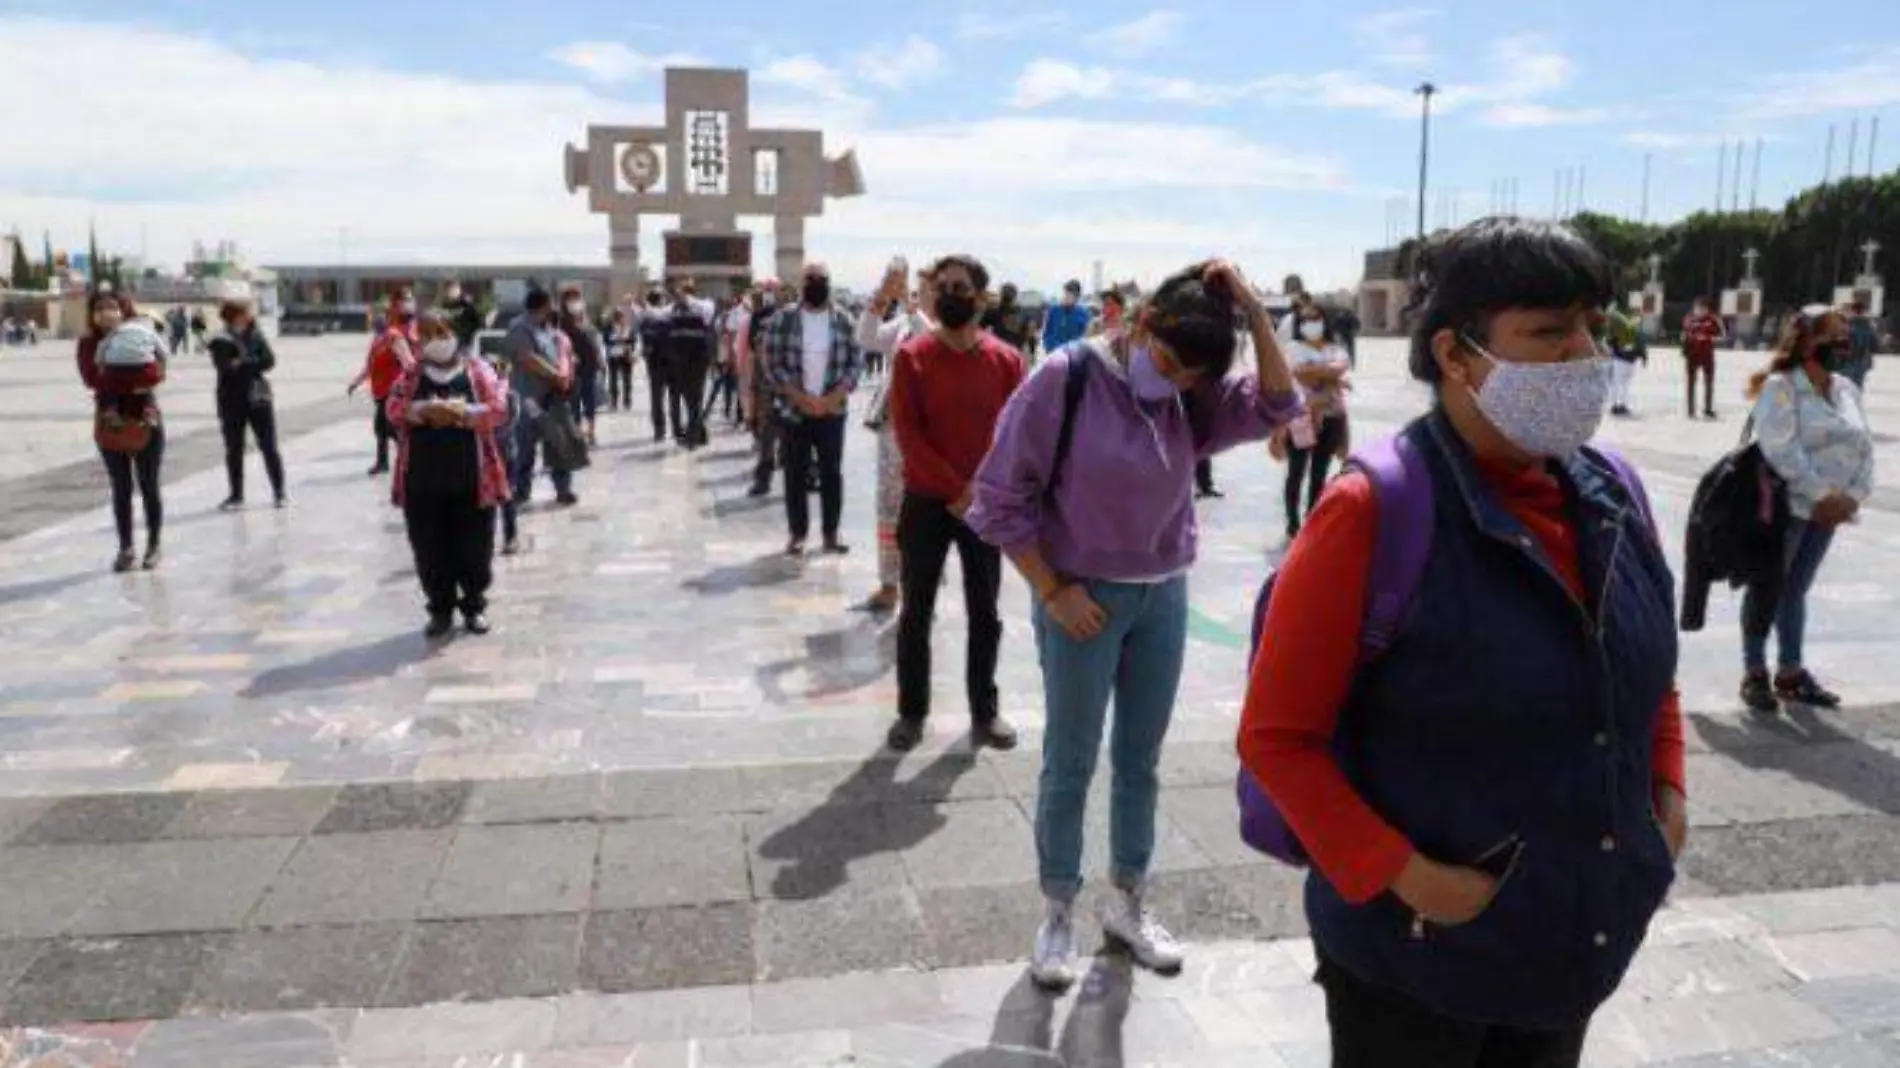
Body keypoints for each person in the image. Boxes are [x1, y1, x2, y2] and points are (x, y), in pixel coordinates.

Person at [1241, 218, 1686, 1068]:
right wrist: (1413, 878)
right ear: (1456, 354)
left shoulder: (1616, 491)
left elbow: (1643, 670)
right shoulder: (1373, 511)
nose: (1585, 353)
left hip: (1575, 937)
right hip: (1417, 959)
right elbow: (1276, 738)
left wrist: (1667, 795)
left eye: (1591, 324)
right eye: (1549, 332)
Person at [965, 260, 1299, 989]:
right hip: (1081, 597)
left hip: (1162, 595)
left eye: (1191, 378)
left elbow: (1277, 404)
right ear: (1140, 324)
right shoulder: (1067, 377)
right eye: (1171, 364)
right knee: (1071, 759)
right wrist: (1053, 592)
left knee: (1140, 759)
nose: (1177, 384)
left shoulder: (1191, 396)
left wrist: (1253, 309)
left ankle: (1130, 900)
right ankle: (1058, 908)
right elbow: (998, 496)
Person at [886, 255, 1025, 753]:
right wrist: (957, 490)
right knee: (916, 610)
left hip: (984, 506)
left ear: (981, 297)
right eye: (942, 285)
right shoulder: (911, 357)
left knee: (985, 610)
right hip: (927, 502)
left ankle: (985, 713)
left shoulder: (1008, 361)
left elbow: (1016, 436)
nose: (949, 293)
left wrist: (981, 492)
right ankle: (911, 711)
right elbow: (909, 434)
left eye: (960, 286)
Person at [1738, 305, 1876, 713]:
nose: (1844, 342)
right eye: (1834, 334)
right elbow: (1781, 448)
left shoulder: (1847, 389)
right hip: (1790, 509)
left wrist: (1853, 496)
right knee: (1767, 586)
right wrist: (1821, 495)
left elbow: (1863, 445)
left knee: (1796, 589)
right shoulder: (1781, 386)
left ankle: (1791, 672)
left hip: (1831, 512)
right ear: (1808, 341)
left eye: (1845, 333)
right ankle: (1755, 670)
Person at [387, 312, 513, 639]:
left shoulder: (478, 370)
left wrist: (461, 412)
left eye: (440, 333)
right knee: (429, 549)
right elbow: (393, 409)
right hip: (423, 482)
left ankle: (474, 606)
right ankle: (440, 609)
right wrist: (424, 411)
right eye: (426, 336)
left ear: (453, 334)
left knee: (475, 547)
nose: (435, 341)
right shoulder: (411, 376)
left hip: (472, 479)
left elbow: (499, 408)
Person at [761, 262, 862, 554]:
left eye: (821, 280)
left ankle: (831, 532)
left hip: (832, 410)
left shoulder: (844, 319)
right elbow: (771, 362)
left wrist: (834, 397)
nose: (816, 284)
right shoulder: (783, 319)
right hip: (794, 410)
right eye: (810, 279)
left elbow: (856, 362)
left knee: (832, 473)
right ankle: (798, 533)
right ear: (802, 283)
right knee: (794, 472)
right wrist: (798, 396)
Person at [856, 262, 936, 615]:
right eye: (915, 288)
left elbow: (931, 343)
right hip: (893, 429)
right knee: (889, 509)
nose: (918, 295)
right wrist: (880, 299)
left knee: (925, 512)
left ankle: (921, 587)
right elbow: (866, 337)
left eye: (924, 289)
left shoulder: (944, 326)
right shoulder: (904, 323)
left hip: (929, 433)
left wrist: (911, 306)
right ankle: (889, 584)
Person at [78, 292, 167, 572]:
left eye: (112, 307)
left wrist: (114, 380)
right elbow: (92, 379)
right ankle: (126, 547)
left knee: (149, 483)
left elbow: (155, 373)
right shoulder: (88, 343)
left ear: (123, 310)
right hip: (110, 423)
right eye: (100, 308)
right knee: (121, 487)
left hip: (146, 418)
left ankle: (153, 545)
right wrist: (131, 383)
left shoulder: (141, 334)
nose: (106, 312)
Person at [1280, 300, 1352, 539]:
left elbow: (1336, 369)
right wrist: (1330, 378)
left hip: (1331, 418)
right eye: (1305, 320)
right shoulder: (1293, 347)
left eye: (1315, 318)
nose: (1311, 324)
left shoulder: (1336, 348)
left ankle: (1312, 520)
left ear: (1324, 320)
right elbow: (1301, 374)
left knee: (1320, 472)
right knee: (1296, 470)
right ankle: (1292, 522)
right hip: (1301, 417)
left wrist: (1317, 372)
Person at [209, 299, 287, 510]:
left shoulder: (256, 334)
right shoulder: (220, 339)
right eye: (245, 312)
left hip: (258, 398)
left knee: (269, 446)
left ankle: (279, 492)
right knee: (234, 449)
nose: (249, 315)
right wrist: (252, 362)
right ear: (233, 316)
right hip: (231, 400)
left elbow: (269, 361)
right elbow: (224, 366)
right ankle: (236, 495)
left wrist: (242, 362)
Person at [505, 288, 578, 507]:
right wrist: (555, 375)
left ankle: (563, 489)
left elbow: (562, 352)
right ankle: (522, 489)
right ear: (544, 305)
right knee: (525, 446)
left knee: (559, 444)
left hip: (553, 397)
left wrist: (564, 374)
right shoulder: (520, 327)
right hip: (529, 398)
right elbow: (527, 358)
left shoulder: (548, 328)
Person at [349, 286, 418, 476]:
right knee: (382, 429)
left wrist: (408, 385)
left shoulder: (394, 337)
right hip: (380, 392)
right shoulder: (378, 340)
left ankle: (407, 459)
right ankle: (385, 462)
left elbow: (409, 363)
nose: (375, 320)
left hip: (392, 392)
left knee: (388, 429)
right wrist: (356, 382)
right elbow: (370, 366)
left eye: (379, 316)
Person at [668, 281, 718, 448]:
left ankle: (693, 436)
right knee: (691, 397)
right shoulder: (674, 309)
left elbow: (708, 313)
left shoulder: (703, 306)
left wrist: (685, 299)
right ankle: (700, 432)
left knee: (694, 396)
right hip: (684, 358)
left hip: (696, 358)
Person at [558, 286, 605, 447]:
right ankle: (576, 434)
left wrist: (599, 358)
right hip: (574, 369)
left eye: (577, 298)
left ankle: (591, 433)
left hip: (590, 368)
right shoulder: (562, 322)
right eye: (570, 298)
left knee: (590, 402)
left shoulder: (585, 319)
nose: (574, 302)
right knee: (574, 403)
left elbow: (594, 340)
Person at [636, 289, 674, 443]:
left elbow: (645, 344)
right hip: (671, 362)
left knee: (657, 397)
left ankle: (660, 430)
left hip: (655, 364)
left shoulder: (646, 320)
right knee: (673, 397)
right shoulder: (670, 317)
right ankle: (676, 427)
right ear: (661, 301)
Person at [1682, 297, 1726, 419]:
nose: (1699, 311)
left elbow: (1722, 336)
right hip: (1692, 355)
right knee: (1691, 383)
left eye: (1702, 308)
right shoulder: (1689, 319)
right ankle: (1691, 410)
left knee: (1708, 383)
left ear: (1706, 309)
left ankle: (1708, 408)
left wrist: (1708, 338)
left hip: (1707, 355)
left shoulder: (1713, 319)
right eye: (1697, 308)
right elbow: (1684, 334)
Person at [1606, 300, 1645, 417]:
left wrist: (1643, 356)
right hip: (1623, 359)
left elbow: (1640, 344)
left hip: (1623, 359)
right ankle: (1618, 405)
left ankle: (1618, 405)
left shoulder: (1627, 327)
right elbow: (1641, 344)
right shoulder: (1627, 327)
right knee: (1620, 383)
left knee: (1619, 383)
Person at [980, 281, 1034, 353]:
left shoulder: (995, 311)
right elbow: (1030, 334)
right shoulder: (1023, 313)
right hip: (1013, 351)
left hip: (999, 350)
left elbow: (980, 328)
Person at [1041, 280, 1091, 353]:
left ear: (1077, 297)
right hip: (1055, 353)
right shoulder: (1054, 310)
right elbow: (1047, 333)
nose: (1066, 297)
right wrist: (1050, 347)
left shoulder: (1083, 314)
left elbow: (1086, 337)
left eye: (1070, 295)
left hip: (1073, 354)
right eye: (1066, 293)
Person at [603, 306, 637, 413]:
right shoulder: (609, 327)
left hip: (625, 355)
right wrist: (618, 337)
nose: (619, 318)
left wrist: (629, 348)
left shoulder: (629, 327)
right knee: (613, 380)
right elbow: (606, 340)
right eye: (617, 316)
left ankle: (627, 401)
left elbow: (633, 341)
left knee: (627, 380)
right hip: (613, 355)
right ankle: (613, 401)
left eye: (621, 316)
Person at [1843, 298, 1878, 390]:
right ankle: (1856, 401)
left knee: (1847, 384)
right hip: (1863, 358)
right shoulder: (1870, 324)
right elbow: (1874, 344)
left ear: (1852, 310)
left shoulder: (1846, 323)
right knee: (1858, 384)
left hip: (1848, 358)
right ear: (1864, 310)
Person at [440, 281, 485, 351]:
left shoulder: (467, 306)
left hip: (465, 342)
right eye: (448, 290)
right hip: (451, 342)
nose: (449, 292)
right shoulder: (445, 306)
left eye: (452, 289)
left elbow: (478, 323)